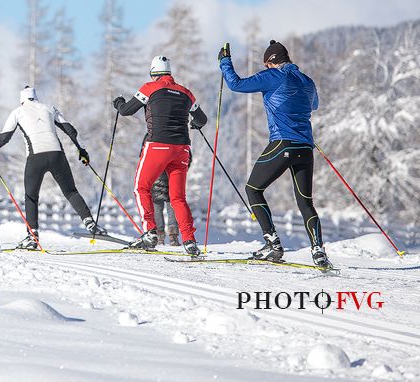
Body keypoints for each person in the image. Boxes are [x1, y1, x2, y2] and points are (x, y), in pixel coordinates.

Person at [218, 40, 331, 269]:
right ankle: (318, 251)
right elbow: (314, 105)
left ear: (271, 61)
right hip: (305, 148)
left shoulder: (274, 75)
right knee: (305, 201)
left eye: (266, 63)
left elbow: (236, 84)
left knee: (253, 189)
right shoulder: (307, 81)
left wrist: (224, 62)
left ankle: (272, 244)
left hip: (282, 144)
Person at [0, 86, 105, 249]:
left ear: (22, 99)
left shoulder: (17, 112)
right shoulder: (49, 108)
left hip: (35, 158)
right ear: (35, 98)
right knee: (70, 191)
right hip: (57, 155)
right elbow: (71, 130)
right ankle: (90, 223)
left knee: (31, 197)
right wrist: (82, 150)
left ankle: (33, 236)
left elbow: (4, 137)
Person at [113, 55, 207, 256]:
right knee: (178, 197)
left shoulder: (150, 88)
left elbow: (127, 111)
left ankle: (150, 233)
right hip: (182, 149)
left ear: (153, 73)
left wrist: (119, 103)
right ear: (169, 73)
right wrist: (194, 124)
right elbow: (202, 119)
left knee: (141, 187)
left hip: (158, 146)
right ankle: (189, 240)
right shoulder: (186, 93)